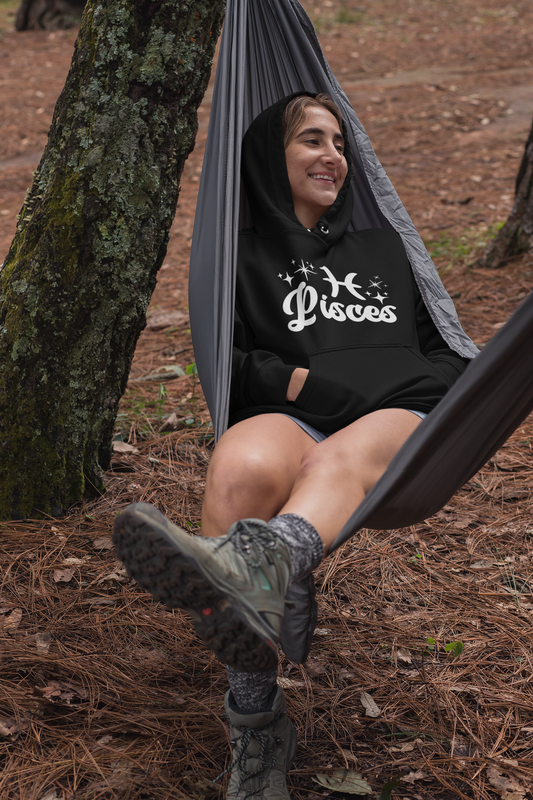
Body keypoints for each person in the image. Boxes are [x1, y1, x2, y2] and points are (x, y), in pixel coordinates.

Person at [113, 92, 469, 799]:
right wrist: (310, 386)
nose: (332, 156)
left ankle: (264, 567)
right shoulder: (235, 257)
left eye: (339, 142)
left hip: (398, 417)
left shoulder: (384, 248)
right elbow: (235, 361)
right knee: (238, 474)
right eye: (311, 140)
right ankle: (258, 716)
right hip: (290, 412)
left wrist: (365, 390)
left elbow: (448, 358)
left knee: (330, 460)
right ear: (270, 159)